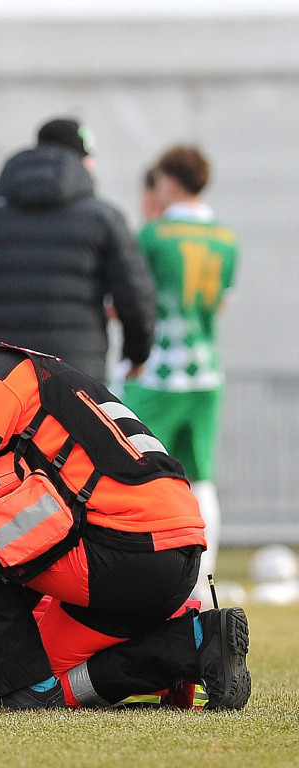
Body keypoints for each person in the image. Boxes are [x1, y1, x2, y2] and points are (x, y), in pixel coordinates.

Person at [0, 323, 250, 711]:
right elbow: (38, 528)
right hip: (169, 551)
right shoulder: (33, 369)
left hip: (121, 549)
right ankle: (194, 643)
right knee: (46, 687)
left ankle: (17, 684)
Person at [0, 117, 156, 384]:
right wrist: (136, 354)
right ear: (82, 161)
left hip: (2, 371)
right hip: (78, 371)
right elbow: (134, 293)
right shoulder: (103, 217)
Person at [122, 146, 238, 604]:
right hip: (207, 370)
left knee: (134, 468)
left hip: (158, 372)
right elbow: (222, 302)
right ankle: (202, 575)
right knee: (200, 473)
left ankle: (141, 563)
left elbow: (128, 301)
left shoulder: (155, 235)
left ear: (168, 181)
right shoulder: (227, 237)